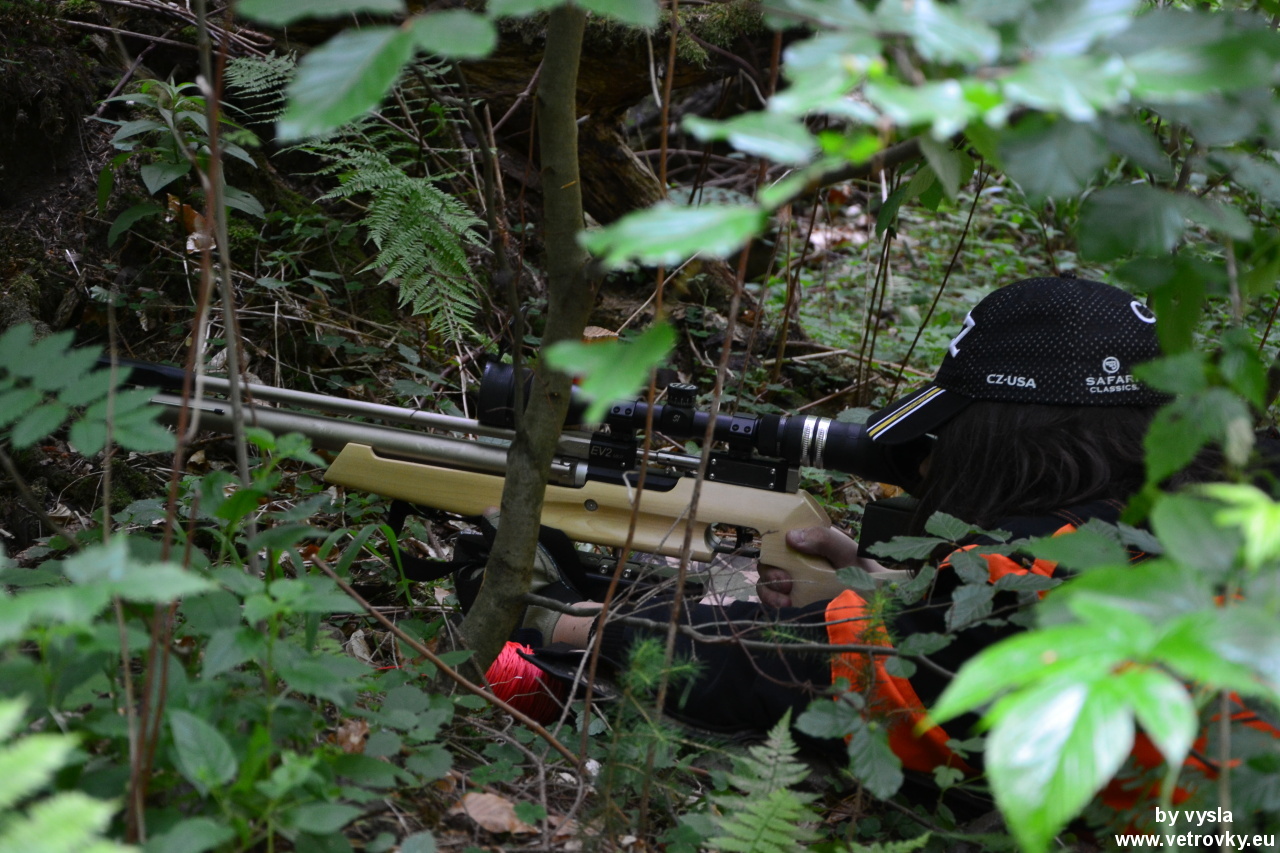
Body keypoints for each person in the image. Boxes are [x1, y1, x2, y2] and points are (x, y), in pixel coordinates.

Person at [512, 276, 1178, 773]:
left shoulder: (1035, 572)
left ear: (1011, 436)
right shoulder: (1188, 522)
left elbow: (782, 673)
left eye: (953, 431)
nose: (933, 460)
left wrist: (567, 621)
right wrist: (886, 588)